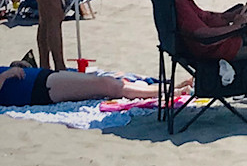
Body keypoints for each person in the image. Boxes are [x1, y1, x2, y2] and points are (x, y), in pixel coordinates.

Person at [0, 58, 185, 107]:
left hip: (39, 79)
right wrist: (7, 75)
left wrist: (16, 67)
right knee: (108, 86)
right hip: (37, 90)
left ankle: (166, 89)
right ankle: (165, 92)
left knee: (107, 82)